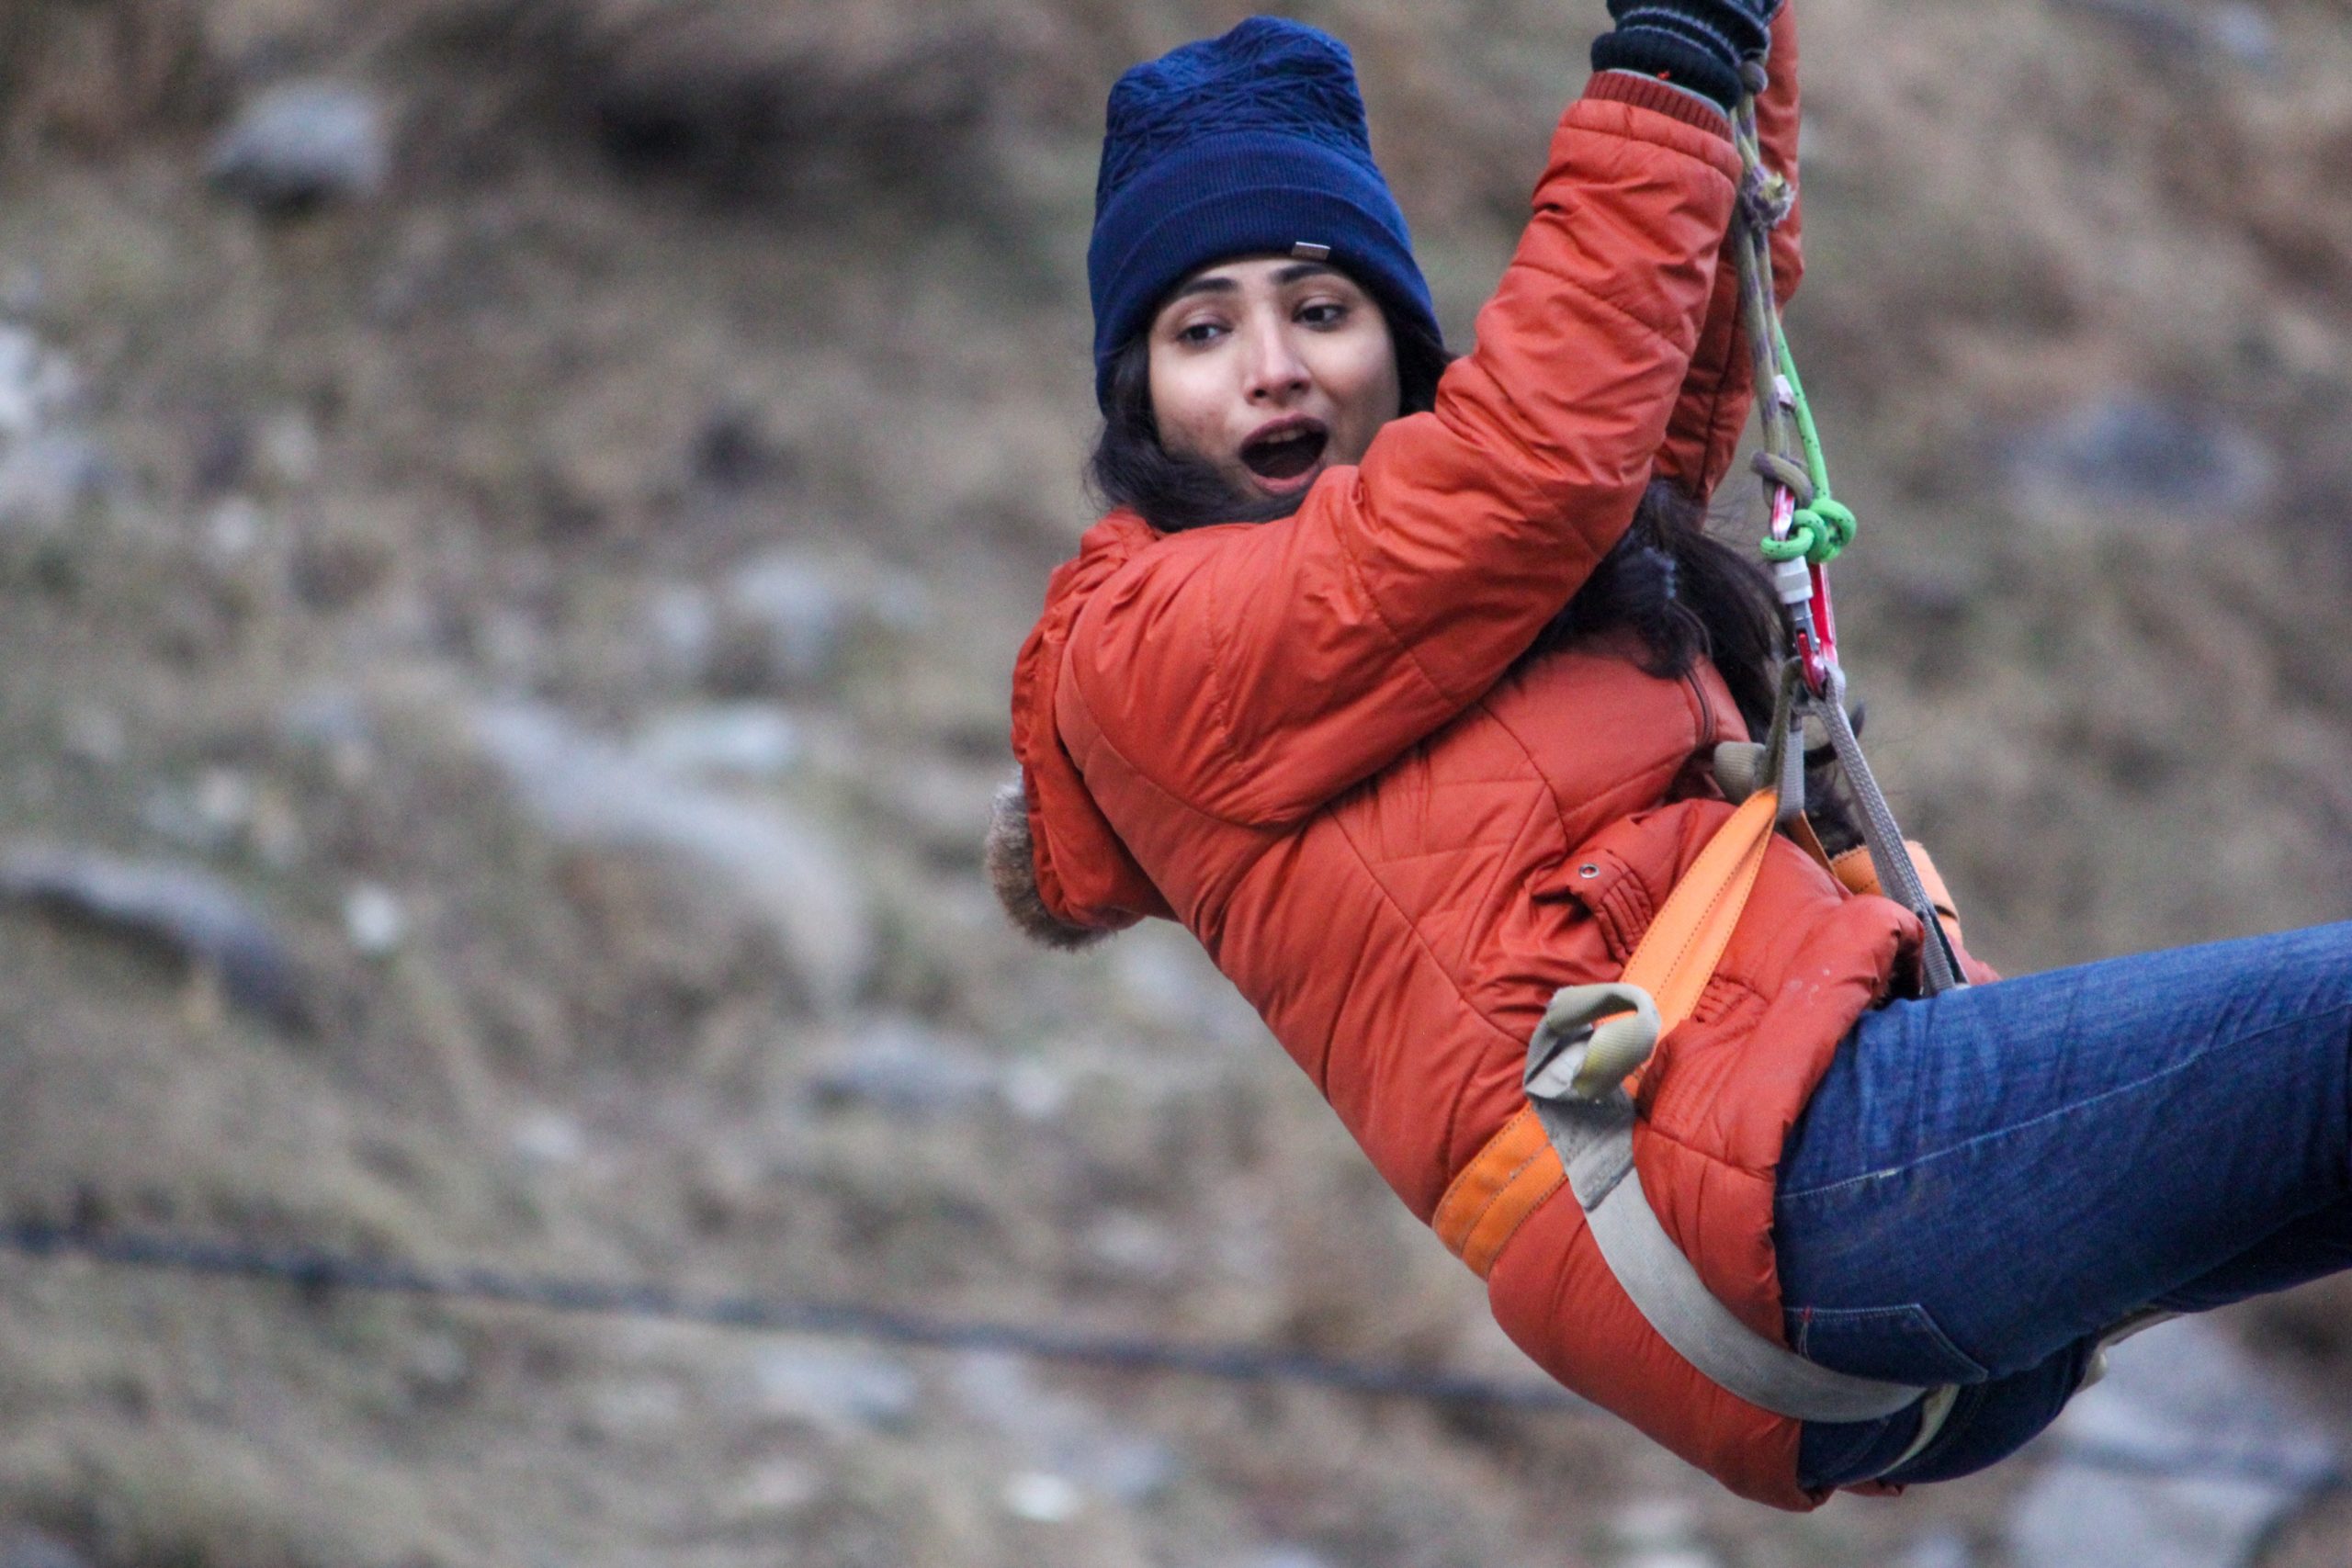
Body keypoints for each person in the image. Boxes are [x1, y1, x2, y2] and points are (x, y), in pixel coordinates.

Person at [989, 0, 2352, 1509]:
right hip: (1778, 1204)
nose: (1272, 368)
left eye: (1321, 309)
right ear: (1140, 400)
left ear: (1393, 339)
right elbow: (1537, 460)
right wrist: (1659, 67)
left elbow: (1674, 338)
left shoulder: (1489, 565)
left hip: (1845, 1201)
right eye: (1202, 330)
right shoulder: (1143, 655)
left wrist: (1733, 60)